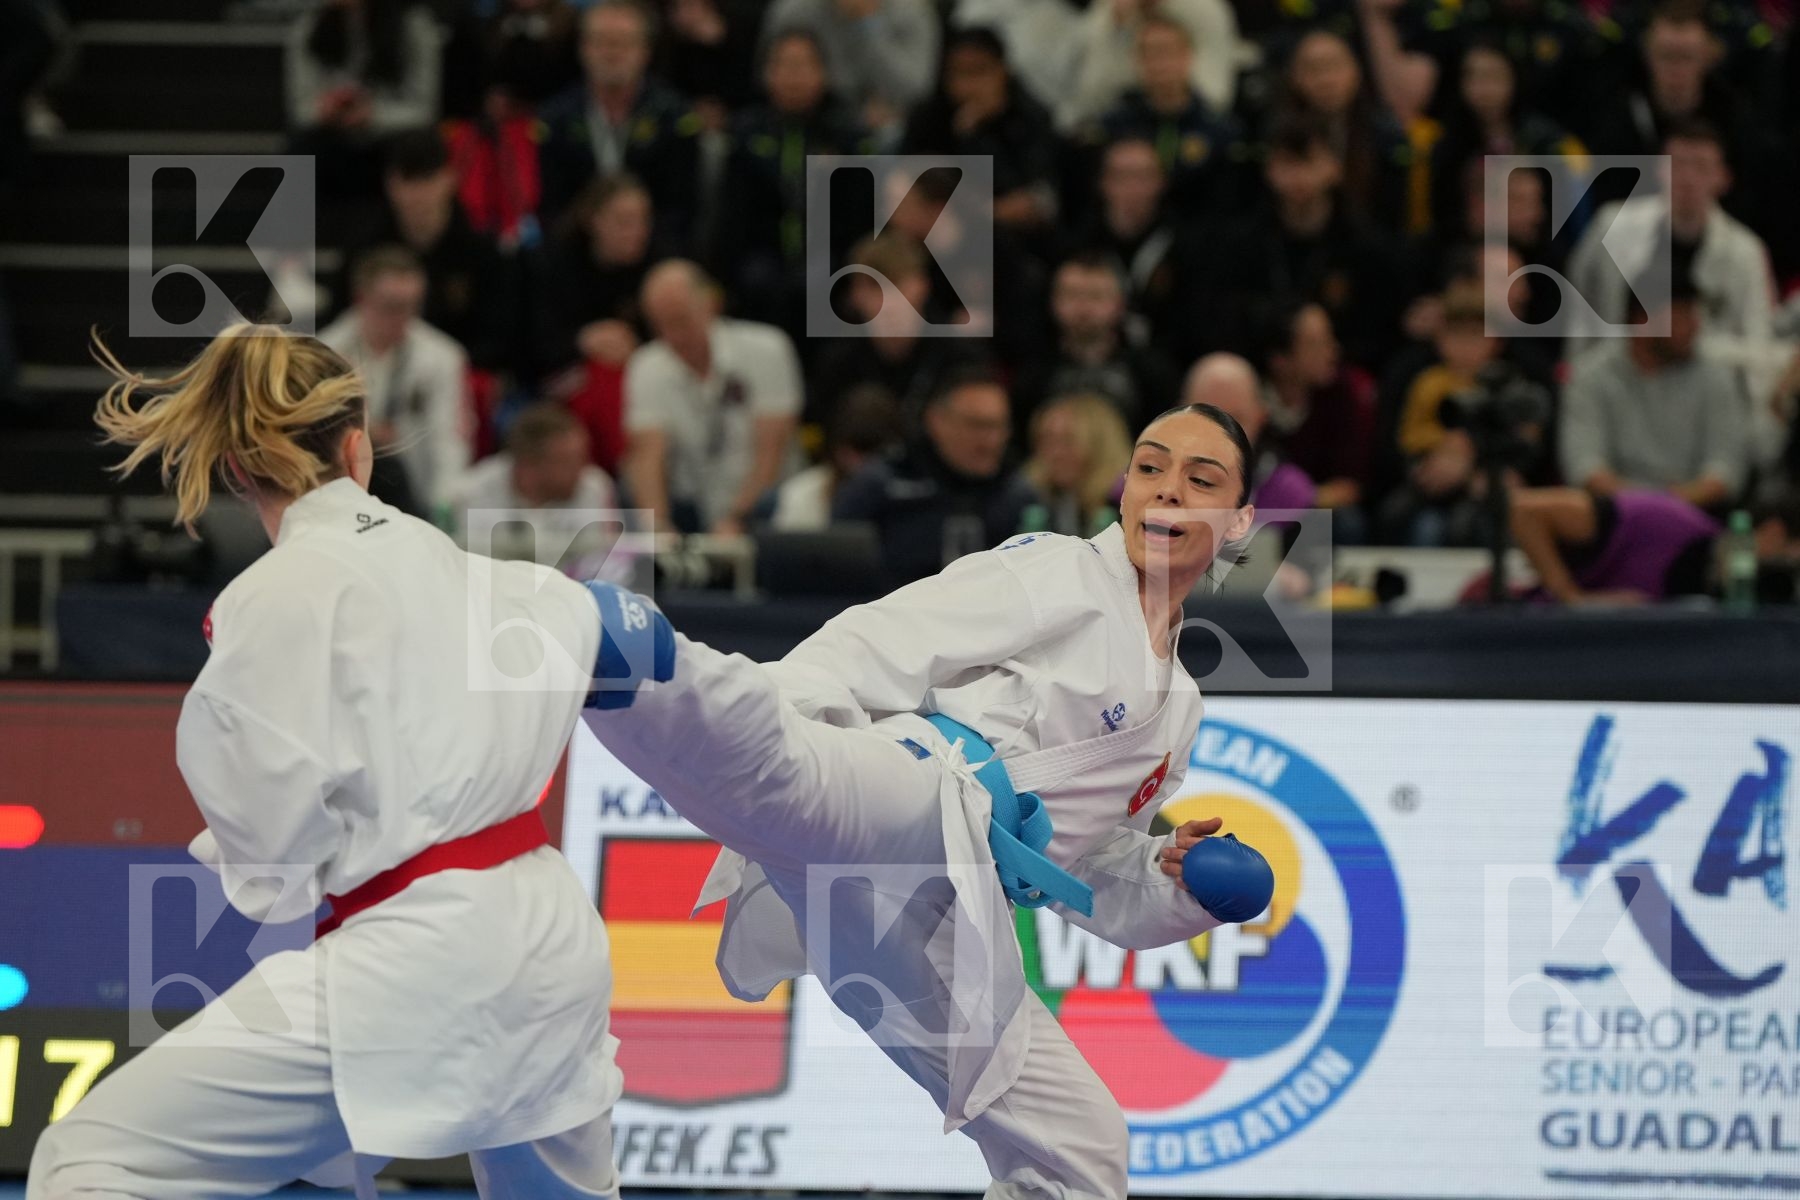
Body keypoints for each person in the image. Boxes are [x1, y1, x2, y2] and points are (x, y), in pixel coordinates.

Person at [576, 400, 1274, 1199]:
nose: (1168, 490)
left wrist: (1178, 881)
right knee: (789, 777)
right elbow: (878, 639)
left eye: (1201, 478)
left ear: (1242, 519)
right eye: (1150, 467)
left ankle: (645, 684)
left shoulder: (1178, 712)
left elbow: (1095, 875)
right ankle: (630, 665)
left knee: (1083, 1152)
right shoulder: (1059, 570)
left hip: (954, 918)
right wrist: (792, 704)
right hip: (916, 797)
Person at [29, 326, 622, 1199]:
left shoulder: (271, 598)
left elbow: (274, 867)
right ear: (358, 448)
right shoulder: (506, 581)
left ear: (236, 473)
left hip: (414, 963)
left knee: (89, 1161)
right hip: (555, 938)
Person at [622, 259, 803, 535]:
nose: (673, 336)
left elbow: (772, 450)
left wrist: (737, 518)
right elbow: (647, 455)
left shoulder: (767, 349)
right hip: (694, 508)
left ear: (711, 304)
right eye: (661, 326)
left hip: (769, 506)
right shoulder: (646, 366)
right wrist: (657, 527)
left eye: (681, 321)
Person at [1559, 275, 1748, 513]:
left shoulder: (1715, 378)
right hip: (1614, 516)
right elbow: (1585, 468)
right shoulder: (1590, 376)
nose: (1695, 326)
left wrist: (1667, 509)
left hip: (1694, 516)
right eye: (1682, 316)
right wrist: (1651, 508)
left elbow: (1726, 470)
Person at [832, 369, 1041, 584]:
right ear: (937, 421)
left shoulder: (1018, 495)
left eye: (1000, 426)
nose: (992, 441)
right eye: (978, 426)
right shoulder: (882, 483)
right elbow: (836, 567)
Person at [318, 245, 473, 516]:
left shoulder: (443, 357)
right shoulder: (324, 353)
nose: (404, 318)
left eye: (413, 306)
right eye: (392, 307)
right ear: (361, 299)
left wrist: (444, 505)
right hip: (340, 492)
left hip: (413, 497)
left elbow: (448, 440)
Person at [536, 0, 702, 241]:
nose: (612, 52)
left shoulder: (674, 118)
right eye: (601, 41)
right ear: (583, 48)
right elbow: (550, 206)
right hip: (575, 252)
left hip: (654, 251)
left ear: (645, 51)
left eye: (623, 42)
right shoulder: (555, 119)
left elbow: (683, 208)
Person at [1508, 485, 1800, 605]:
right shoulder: (1661, 520)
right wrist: (1573, 598)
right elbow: (1526, 511)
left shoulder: (1754, 602)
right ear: (1773, 533)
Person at [1090, 14, 1247, 220]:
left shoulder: (1221, 131)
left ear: (1188, 56)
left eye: (1167, 51)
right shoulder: (1112, 128)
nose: (1159, 63)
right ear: (1137, 61)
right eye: (1149, 53)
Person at [1011, 252, 1179, 435]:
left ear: (1120, 304)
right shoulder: (1033, 373)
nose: (1083, 307)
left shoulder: (1151, 373)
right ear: (1054, 302)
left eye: (1096, 296)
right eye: (1072, 295)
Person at [760, 0, 940, 135]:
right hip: (815, 115)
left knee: (891, 132)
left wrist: (868, 23)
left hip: (887, 126)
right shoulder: (794, 10)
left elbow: (916, 92)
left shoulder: (911, 11)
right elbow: (765, 75)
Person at [451, 400, 619, 534]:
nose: (581, 471)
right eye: (567, 462)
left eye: (582, 459)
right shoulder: (469, 495)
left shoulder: (595, 487)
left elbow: (605, 564)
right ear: (528, 466)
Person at [765, 383, 901, 530]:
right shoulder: (801, 495)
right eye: (854, 448)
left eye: (871, 452)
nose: (861, 464)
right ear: (837, 447)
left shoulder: (914, 498)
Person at [1021, 392, 1133, 536]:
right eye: (1046, 440)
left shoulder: (1127, 501)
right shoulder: (1033, 498)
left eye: (1068, 441)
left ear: (1099, 446)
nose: (1055, 453)